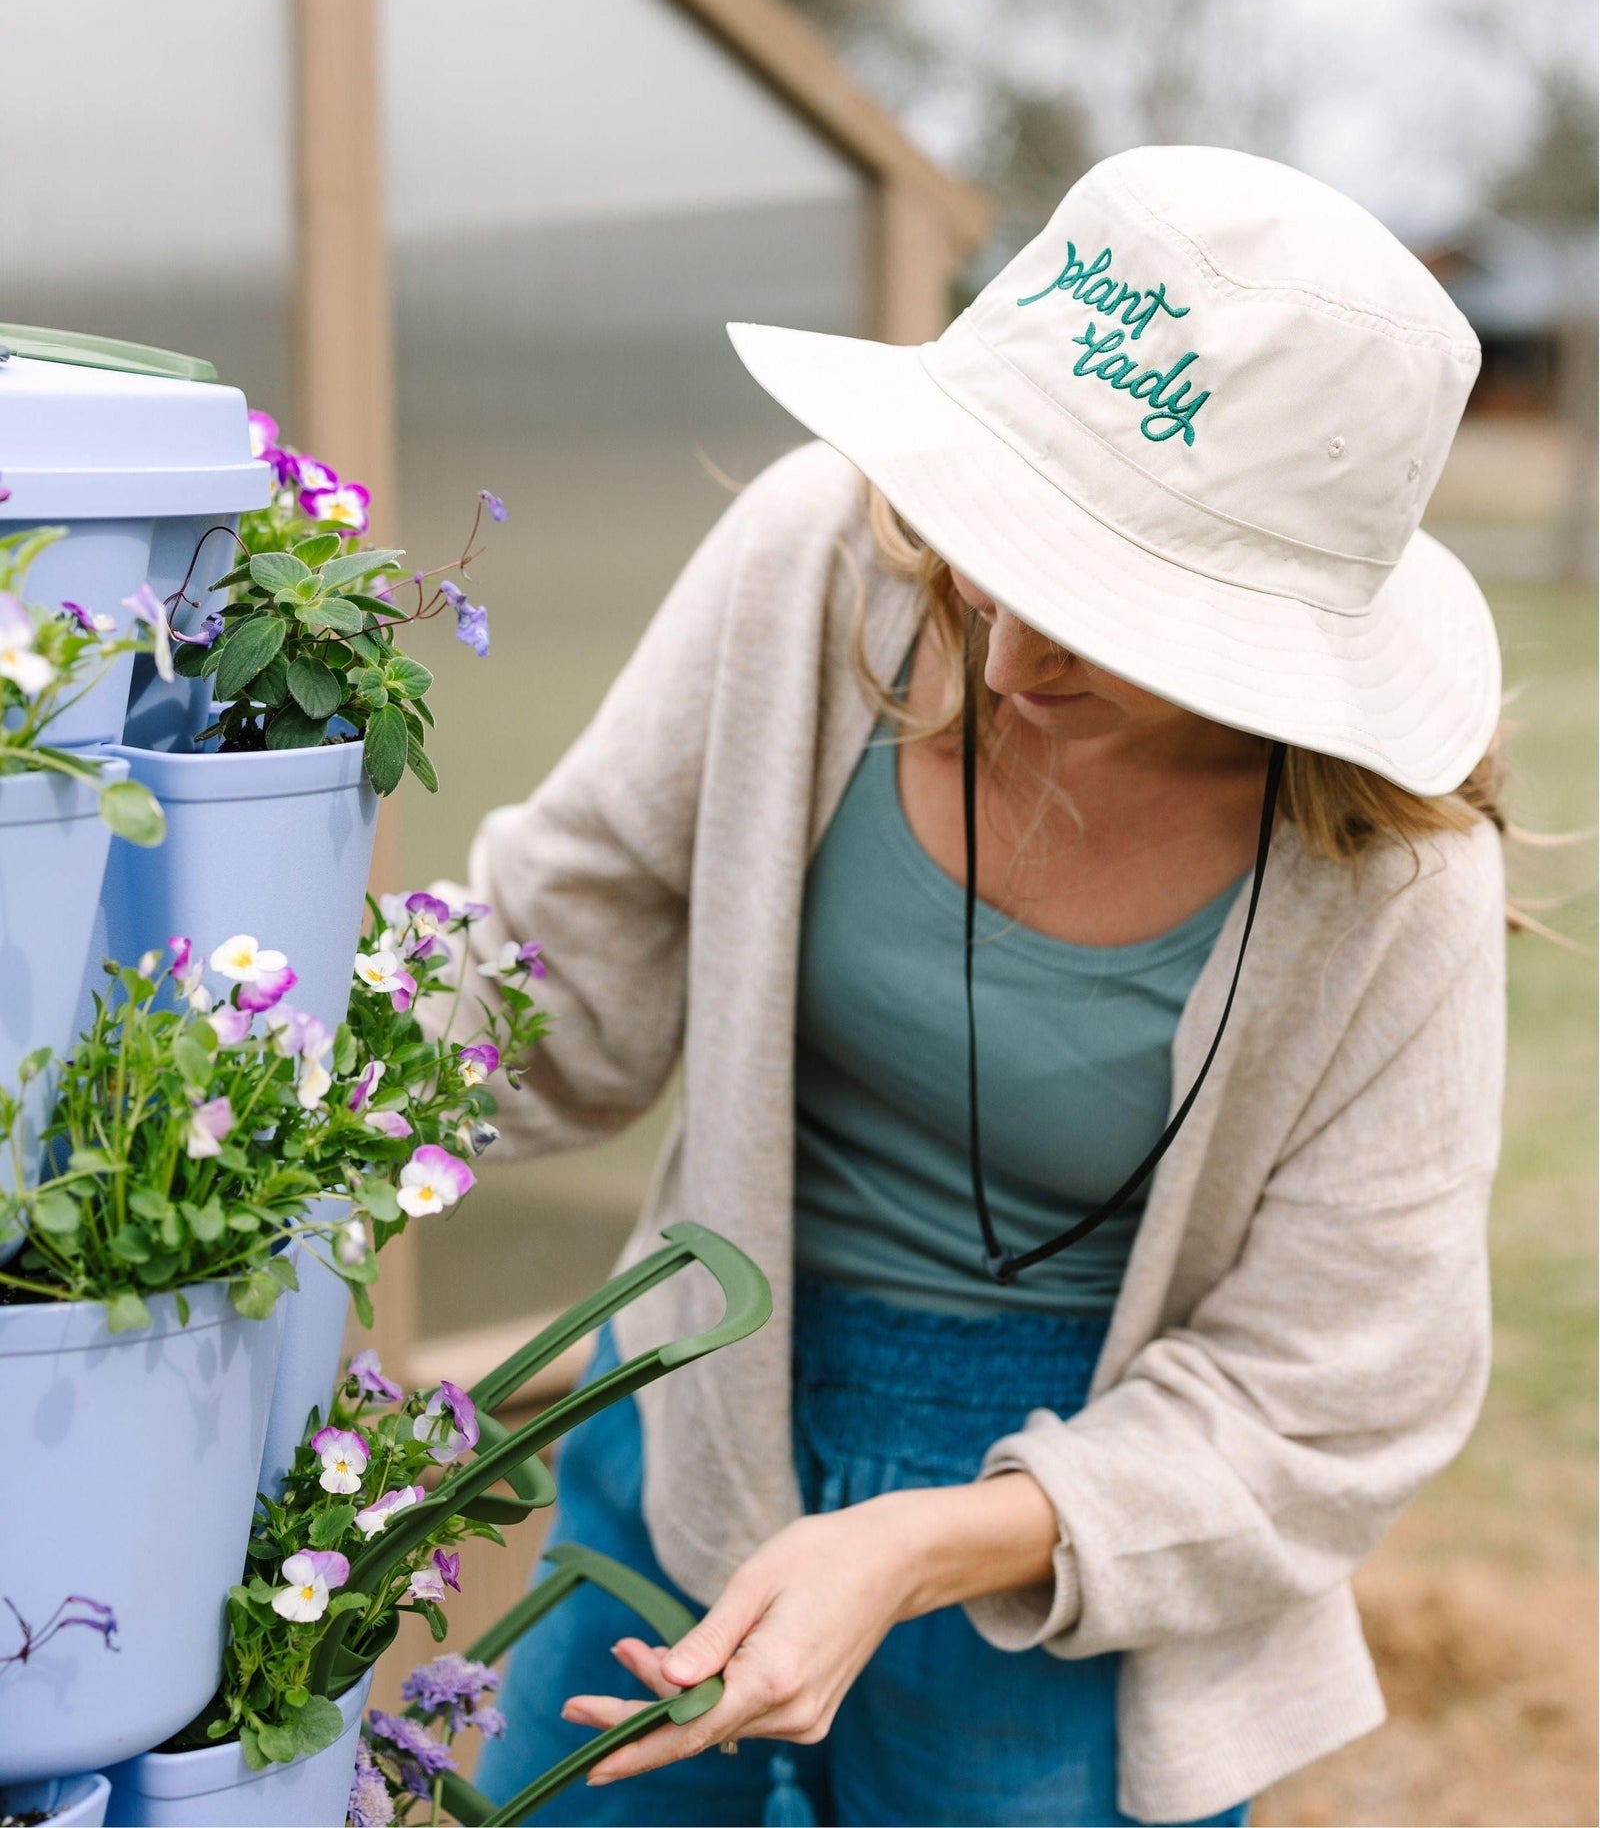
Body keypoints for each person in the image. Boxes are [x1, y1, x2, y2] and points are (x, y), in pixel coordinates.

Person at [463, 147, 1507, 1827]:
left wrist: (927, 1538)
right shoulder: (812, 569)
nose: (1012, 654)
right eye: (995, 542)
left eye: (1127, 615)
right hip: (701, 1408)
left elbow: (1337, 1385)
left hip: (1076, 1541)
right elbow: (556, 976)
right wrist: (249, 1097)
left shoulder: (1389, 886)